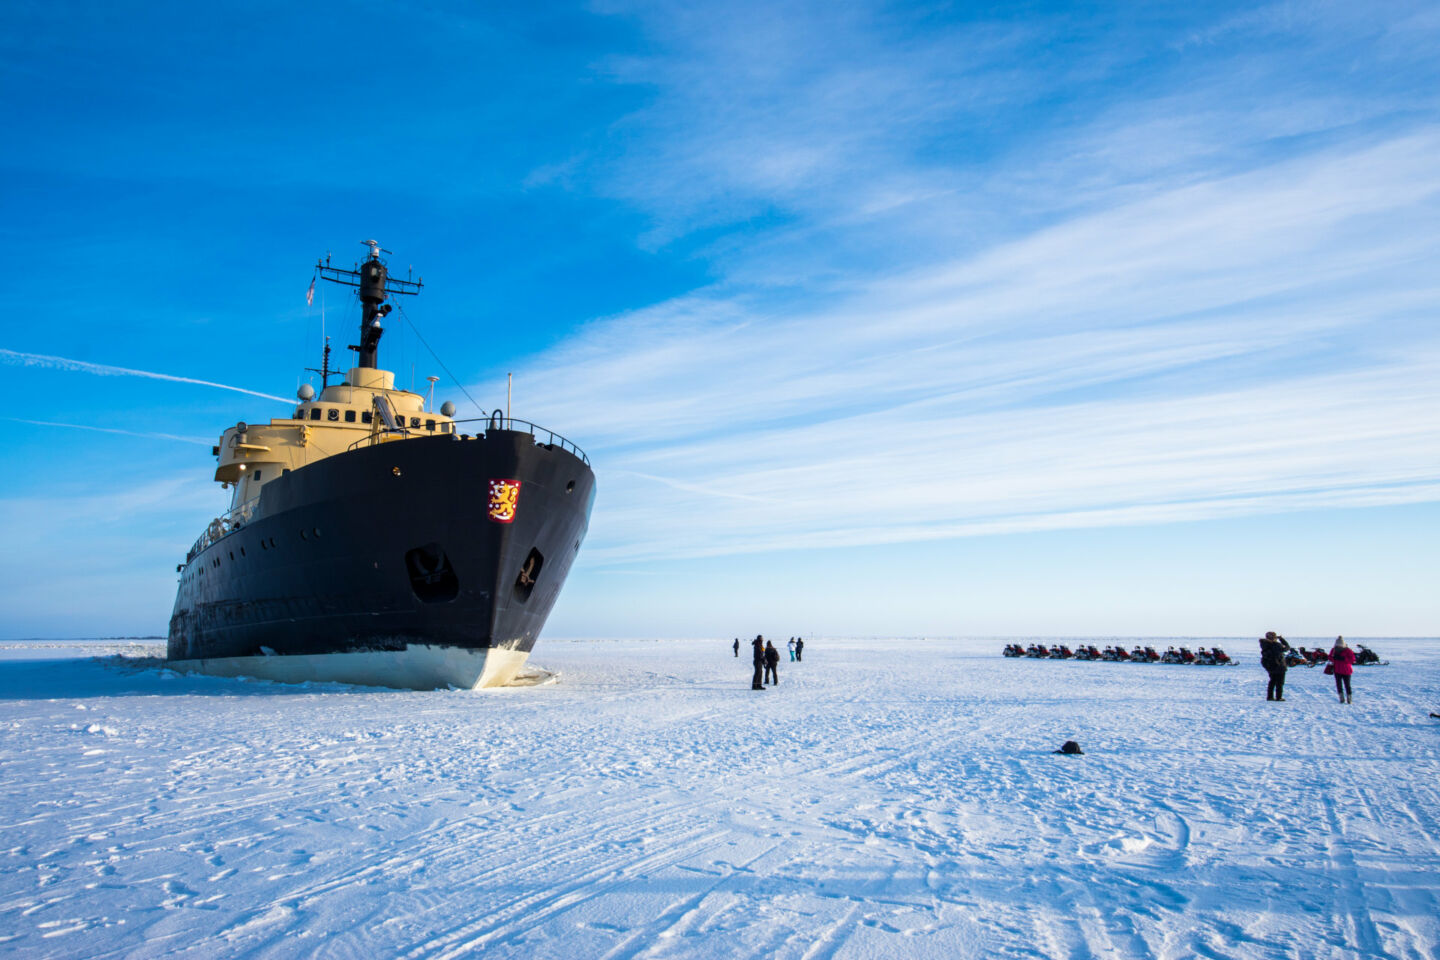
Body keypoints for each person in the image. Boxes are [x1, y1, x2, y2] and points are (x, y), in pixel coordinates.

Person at [1259, 630, 1291, 701]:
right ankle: (1278, 697)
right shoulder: (1276, 645)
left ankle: (1270, 696)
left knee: (1272, 681)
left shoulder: (1264, 645)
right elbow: (1287, 647)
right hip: (1279, 666)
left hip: (1270, 666)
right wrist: (1282, 639)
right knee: (1279, 682)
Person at [1330, 635, 1356, 704]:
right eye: (1337, 646)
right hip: (1337, 670)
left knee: (1347, 685)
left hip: (1346, 671)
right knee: (1339, 685)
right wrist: (1334, 658)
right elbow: (1330, 657)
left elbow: (1352, 660)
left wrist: (1343, 659)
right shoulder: (1333, 650)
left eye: (1340, 646)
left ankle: (1349, 699)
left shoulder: (1348, 650)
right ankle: (1341, 698)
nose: (1338, 647)